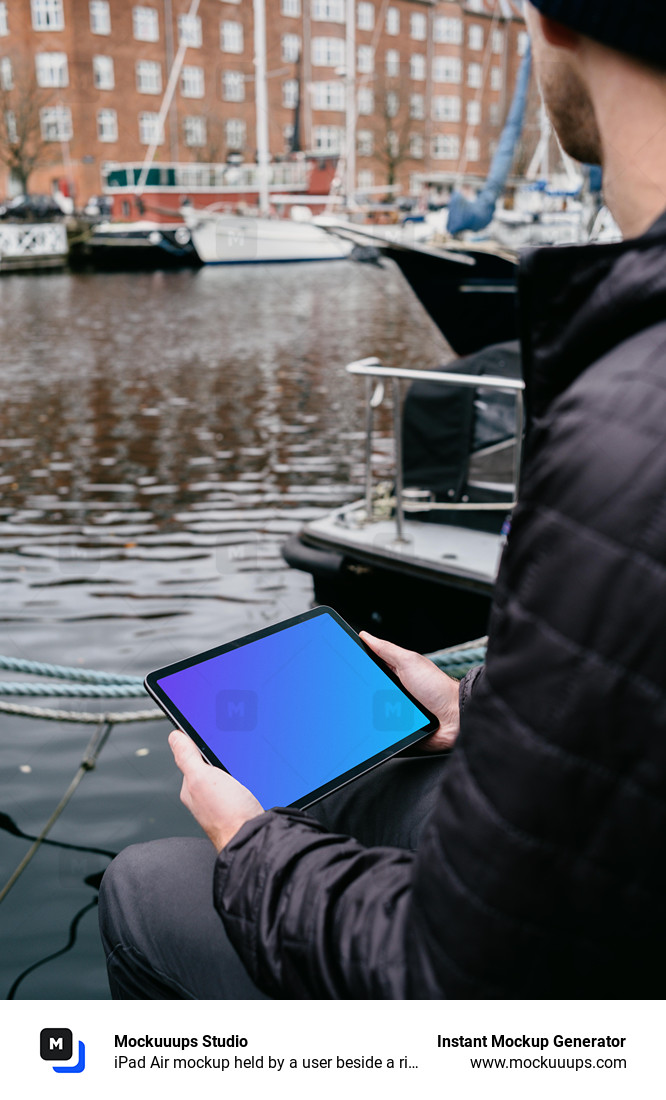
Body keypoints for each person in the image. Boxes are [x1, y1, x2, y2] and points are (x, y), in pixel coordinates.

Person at [99, 0, 666, 998]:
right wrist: (485, 706)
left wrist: (248, 846)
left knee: (148, 881)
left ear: (559, 25)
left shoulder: (628, 423)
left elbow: (455, 979)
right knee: (387, 769)